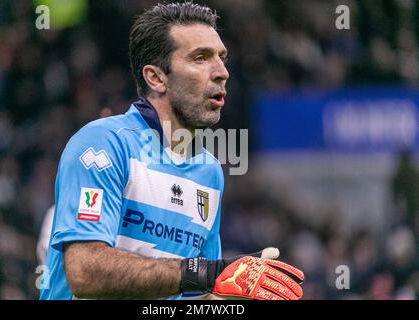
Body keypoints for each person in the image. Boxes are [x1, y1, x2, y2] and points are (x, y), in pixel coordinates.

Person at [40, 1, 304, 300]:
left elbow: (195, 295)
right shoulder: (104, 144)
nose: (222, 72)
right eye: (201, 58)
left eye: (222, 57)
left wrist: (234, 299)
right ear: (156, 77)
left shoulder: (209, 171)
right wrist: (208, 273)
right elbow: (85, 272)